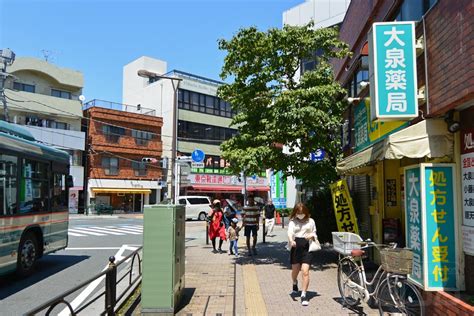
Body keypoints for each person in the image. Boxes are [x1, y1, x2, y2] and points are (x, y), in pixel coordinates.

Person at [287, 202, 317, 306]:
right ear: (295, 213)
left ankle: (304, 295)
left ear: (305, 212)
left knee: (305, 271)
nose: (300, 215)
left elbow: (314, 232)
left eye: (302, 213)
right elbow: (290, 233)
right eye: (298, 213)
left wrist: (311, 236)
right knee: (295, 271)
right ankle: (294, 282)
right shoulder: (292, 222)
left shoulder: (311, 221)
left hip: (307, 248)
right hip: (296, 247)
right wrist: (291, 240)